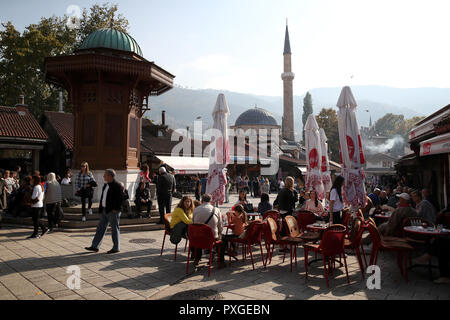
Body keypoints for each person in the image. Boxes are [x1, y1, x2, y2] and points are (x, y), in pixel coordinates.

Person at [85, 169, 123, 254]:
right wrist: (101, 208)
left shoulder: (117, 185)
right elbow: (103, 197)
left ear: (110, 176)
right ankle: (95, 246)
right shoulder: (106, 185)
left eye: (105, 175)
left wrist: (115, 209)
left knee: (114, 229)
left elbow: (120, 199)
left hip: (113, 211)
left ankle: (116, 247)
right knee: (100, 228)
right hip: (104, 210)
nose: (103, 176)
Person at [192, 194, 224, 266]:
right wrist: (220, 233)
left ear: (201, 200)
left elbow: (193, 223)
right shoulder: (216, 210)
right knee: (222, 241)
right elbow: (220, 226)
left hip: (198, 238)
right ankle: (221, 261)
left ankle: (197, 258)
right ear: (211, 201)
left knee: (200, 235)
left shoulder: (195, 210)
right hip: (211, 238)